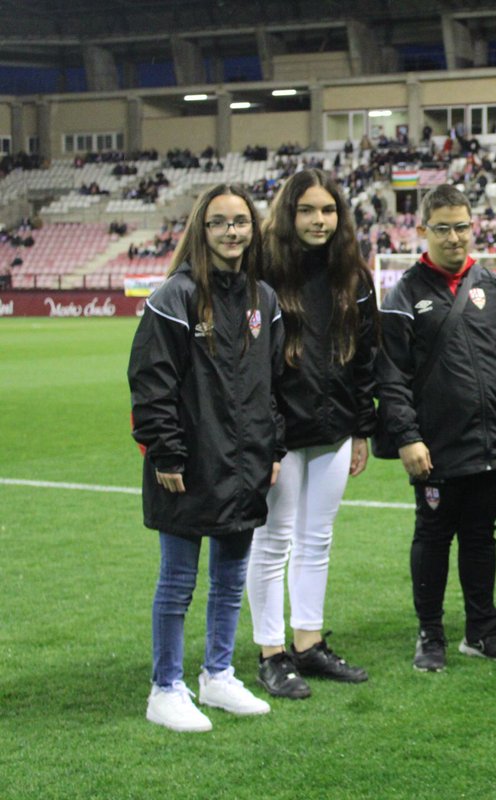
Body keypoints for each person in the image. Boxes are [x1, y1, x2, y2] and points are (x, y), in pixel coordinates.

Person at [129, 184, 282, 732]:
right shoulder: (175, 296)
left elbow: (273, 387)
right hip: (188, 464)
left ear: (252, 229)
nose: (232, 232)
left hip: (244, 464)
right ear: (202, 229)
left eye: (240, 221)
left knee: (230, 576)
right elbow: (151, 382)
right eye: (220, 223)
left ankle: (217, 675)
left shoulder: (264, 298)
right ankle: (164, 687)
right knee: (177, 581)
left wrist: (273, 447)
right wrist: (165, 452)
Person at [376, 184, 496, 672]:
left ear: (474, 227)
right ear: (422, 231)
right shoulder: (403, 294)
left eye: (462, 226)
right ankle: (430, 634)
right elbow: (390, 376)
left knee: (481, 535)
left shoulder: (494, 286)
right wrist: (408, 436)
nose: (454, 238)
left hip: (494, 440)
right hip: (436, 446)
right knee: (433, 536)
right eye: (442, 228)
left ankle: (482, 632)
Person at [246, 170, 376, 699]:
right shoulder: (263, 273)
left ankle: (308, 642)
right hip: (278, 432)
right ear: (287, 215)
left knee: (317, 539)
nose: (319, 220)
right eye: (307, 211)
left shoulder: (353, 275)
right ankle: (271, 654)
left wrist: (362, 428)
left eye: (327, 211)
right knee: (273, 540)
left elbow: (366, 355)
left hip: (335, 426)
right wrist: (261, 433)